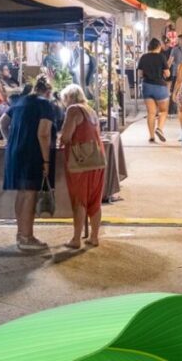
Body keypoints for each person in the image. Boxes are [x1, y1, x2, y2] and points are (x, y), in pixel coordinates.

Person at [2, 75, 57, 251]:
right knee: (30, 194)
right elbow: (43, 134)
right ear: (48, 92)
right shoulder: (45, 105)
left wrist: (9, 141)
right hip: (32, 152)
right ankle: (27, 236)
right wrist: (46, 160)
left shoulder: (21, 101)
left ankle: (20, 233)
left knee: (21, 193)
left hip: (14, 151)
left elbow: (2, 122)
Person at [59, 84, 106, 249]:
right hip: (98, 158)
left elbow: (66, 136)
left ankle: (76, 239)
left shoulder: (73, 110)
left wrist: (61, 138)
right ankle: (94, 237)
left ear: (69, 97)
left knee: (79, 200)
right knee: (95, 200)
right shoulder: (90, 110)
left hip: (81, 161)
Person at [137, 39, 171, 143]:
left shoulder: (143, 57)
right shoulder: (161, 57)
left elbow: (139, 74)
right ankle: (159, 129)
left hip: (147, 86)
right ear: (159, 46)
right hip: (160, 86)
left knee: (151, 113)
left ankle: (151, 136)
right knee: (163, 111)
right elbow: (168, 74)